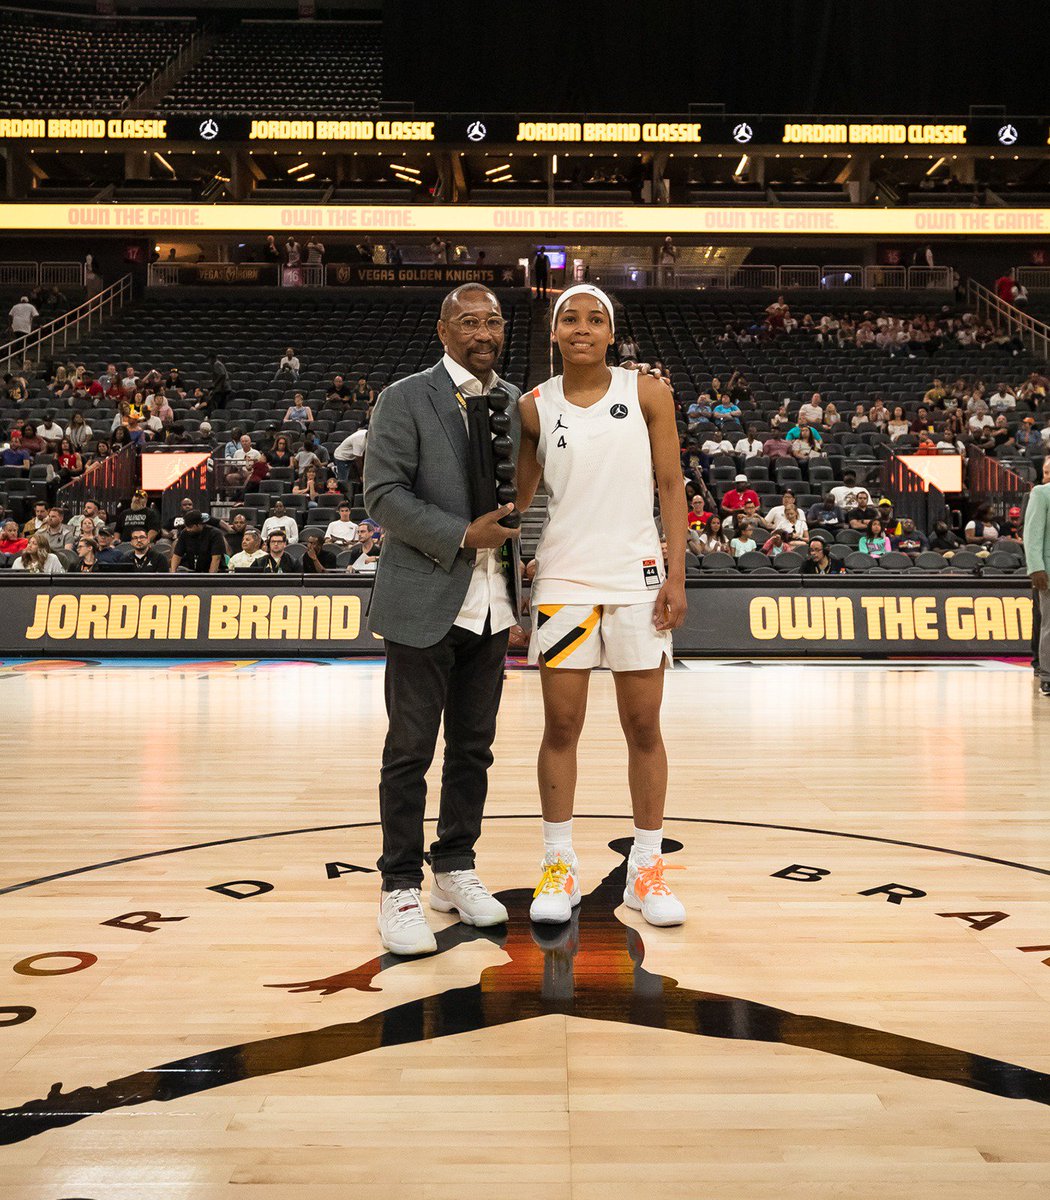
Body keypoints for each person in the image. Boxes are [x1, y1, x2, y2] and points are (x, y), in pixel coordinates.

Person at [515, 284, 688, 929]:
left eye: (594, 319)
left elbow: (671, 485)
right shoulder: (534, 406)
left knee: (643, 728)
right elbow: (518, 499)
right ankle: (558, 861)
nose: (581, 327)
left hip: (638, 582)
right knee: (562, 727)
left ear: (610, 334)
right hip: (564, 583)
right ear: (553, 334)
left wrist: (676, 574)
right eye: (569, 318)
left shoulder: (646, 393)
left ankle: (646, 868)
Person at [363, 282, 521, 956]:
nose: (483, 333)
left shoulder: (516, 403)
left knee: (473, 750)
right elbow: (382, 496)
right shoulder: (404, 397)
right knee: (409, 751)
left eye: (493, 322)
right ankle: (398, 885)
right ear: (443, 329)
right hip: (424, 598)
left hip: (493, 605)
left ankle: (453, 868)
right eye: (469, 322)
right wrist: (463, 535)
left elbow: (529, 499)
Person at [1024, 456, 1050, 697]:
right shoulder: (1041, 493)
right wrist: (1036, 568)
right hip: (1049, 572)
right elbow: (1032, 534)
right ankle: (1048, 675)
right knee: (1049, 625)